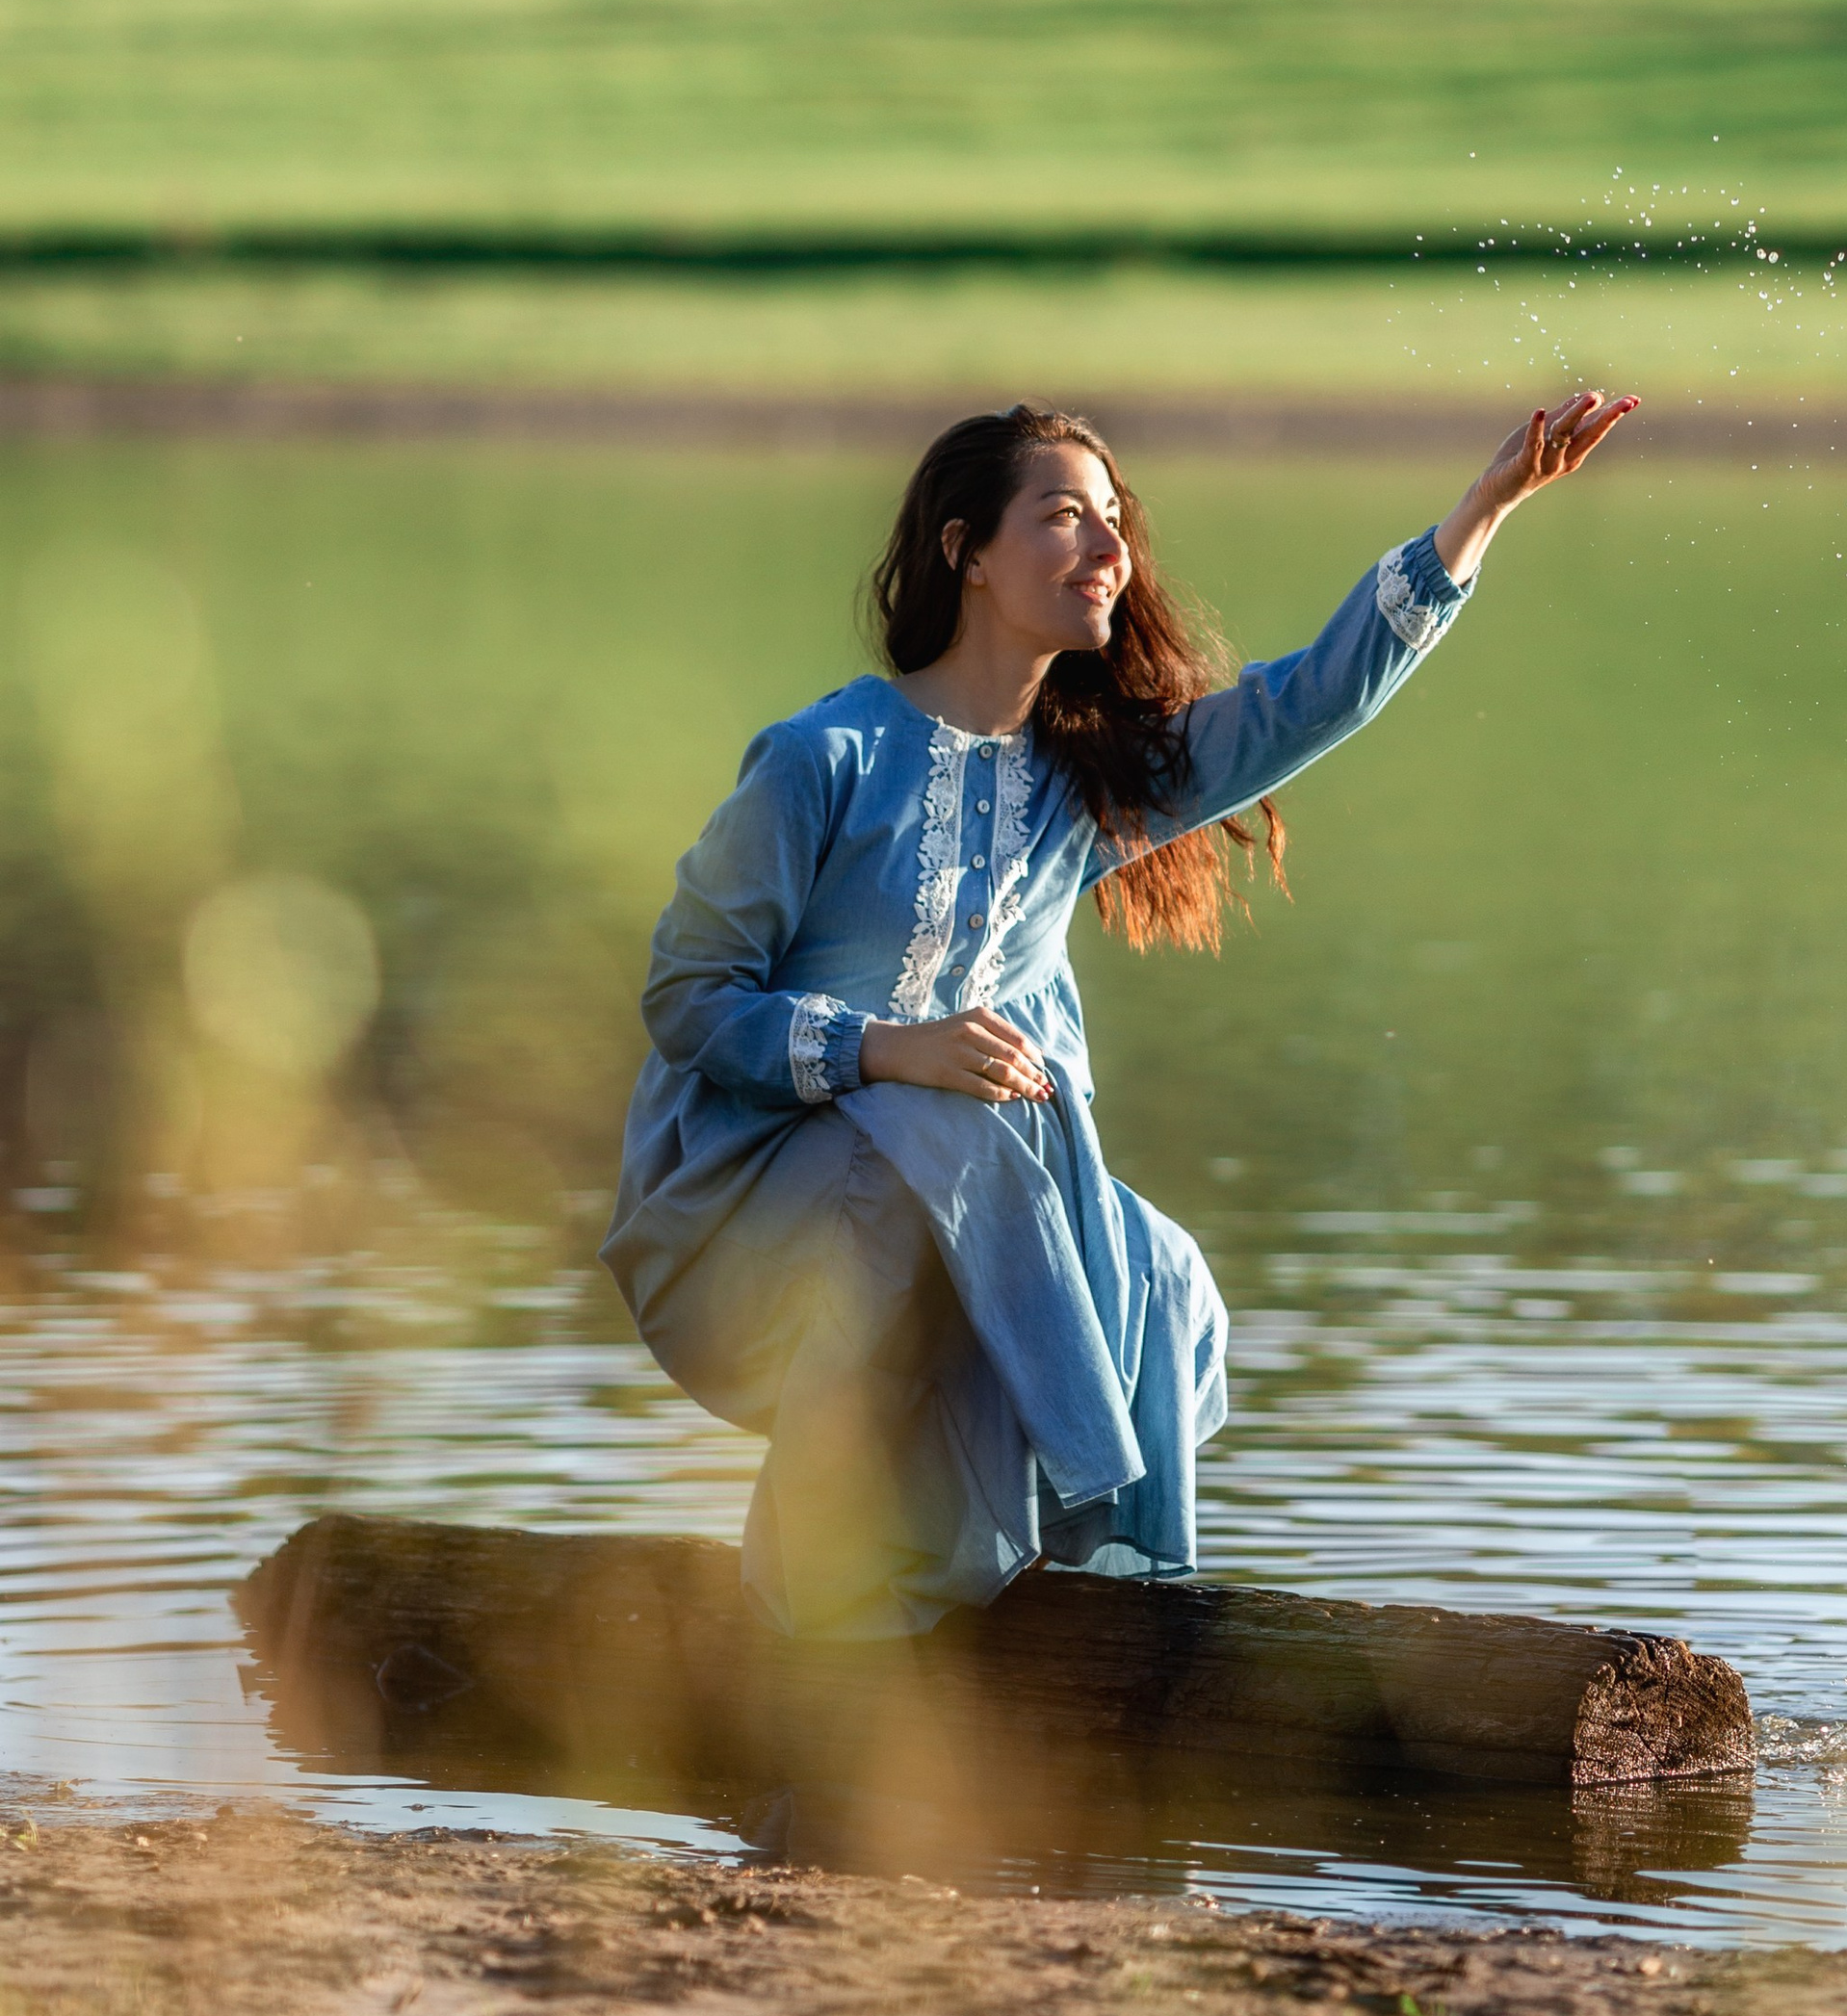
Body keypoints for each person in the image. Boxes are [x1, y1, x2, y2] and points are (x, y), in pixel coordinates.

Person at [602, 387, 1636, 1634]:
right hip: (737, 1205)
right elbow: (689, 1004)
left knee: (1152, 1264)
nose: (1108, 548)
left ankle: (1111, 1603)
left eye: (1115, 521)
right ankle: (829, 1602)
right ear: (965, 551)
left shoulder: (1084, 783)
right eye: (1063, 517)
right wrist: (888, 1051)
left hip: (963, 1183)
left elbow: (1309, 702)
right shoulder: (823, 761)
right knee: (931, 1167)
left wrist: (1482, 512)